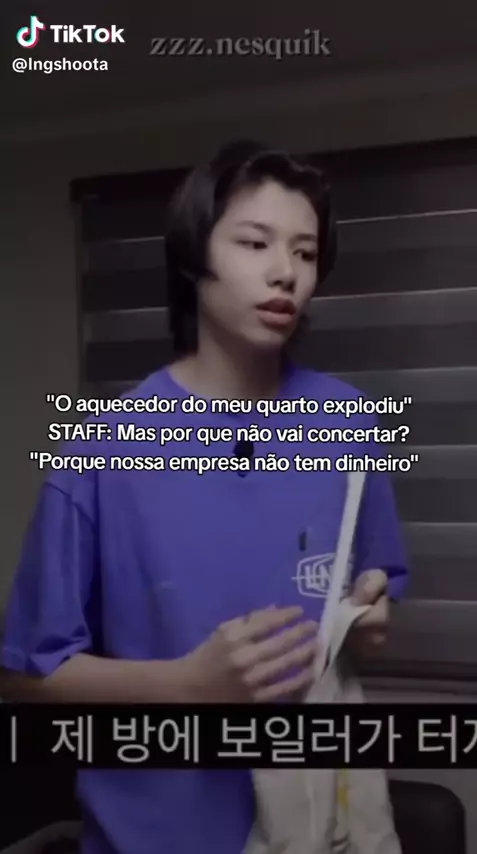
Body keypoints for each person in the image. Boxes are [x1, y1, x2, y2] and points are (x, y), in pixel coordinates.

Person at [0, 140, 408, 854]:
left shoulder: (350, 426)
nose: (285, 272)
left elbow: (370, 592)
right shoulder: (102, 450)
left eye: (306, 253)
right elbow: (26, 677)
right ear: (193, 258)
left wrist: (370, 621)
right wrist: (188, 685)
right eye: (255, 243)